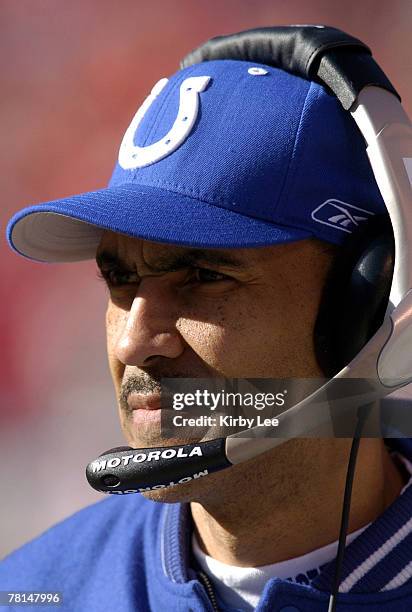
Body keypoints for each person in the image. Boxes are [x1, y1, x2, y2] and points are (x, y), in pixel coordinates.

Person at [2, 26, 412, 612]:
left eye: (202, 276)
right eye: (119, 279)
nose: (134, 342)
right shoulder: (32, 591)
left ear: (367, 308)